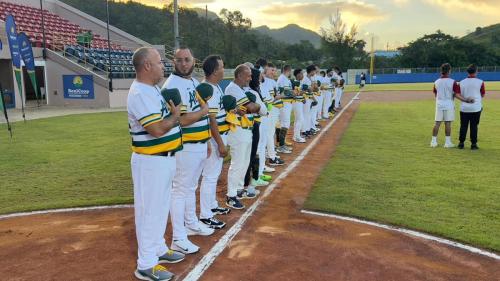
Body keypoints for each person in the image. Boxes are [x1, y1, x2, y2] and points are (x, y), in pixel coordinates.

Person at [128, 47, 185, 281]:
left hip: (164, 160)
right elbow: (157, 129)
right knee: (149, 211)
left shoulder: (152, 90)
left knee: (160, 208)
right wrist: (176, 116)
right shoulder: (139, 93)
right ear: (147, 66)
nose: (164, 66)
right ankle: (146, 264)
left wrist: (173, 117)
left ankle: (159, 248)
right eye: (160, 62)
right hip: (150, 161)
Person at [162, 47, 216, 255]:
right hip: (185, 147)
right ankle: (178, 237)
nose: (184, 64)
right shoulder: (172, 85)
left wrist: (207, 140)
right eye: (179, 60)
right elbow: (181, 120)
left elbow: (200, 119)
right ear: (173, 62)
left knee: (190, 187)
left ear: (194, 61)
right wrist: (203, 111)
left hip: (200, 144)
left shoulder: (194, 82)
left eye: (187, 59)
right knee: (180, 190)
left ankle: (191, 223)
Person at [199, 55, 232, 230]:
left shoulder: (215, 87)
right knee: (210, 176)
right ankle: (206, 215)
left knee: (213, 174)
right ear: (213, 71)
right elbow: (211, 119)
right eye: (221, 67)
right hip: (214, 137)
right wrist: (219, 143)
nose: (223, 69)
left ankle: (211, 204)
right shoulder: (206, 89)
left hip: (221, 133)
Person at [225, 64, 261, 209]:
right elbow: (252, 107)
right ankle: (231, 195)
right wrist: (258, 106)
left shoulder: (240, 89)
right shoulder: (232, 88)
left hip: (246, 129)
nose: (250, 78)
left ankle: (238, 189)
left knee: (244, 162)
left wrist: (254, 106)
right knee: (237, 163)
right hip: (237, 130)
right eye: (248, 75)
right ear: (239, 75)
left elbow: (250, 108)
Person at [430, 63, 471, 148]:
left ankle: (433, 142)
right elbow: (456, 94)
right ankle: (447, 143)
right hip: (448, 104)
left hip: (439, 104)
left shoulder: (436, 82)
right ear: (449, 71)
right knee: (448, 123)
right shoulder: (453, 82)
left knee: (437, 123)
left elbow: (435, 94)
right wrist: (466, 100)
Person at [261, 63, 286, 165]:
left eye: (275, 70)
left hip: (273, 109)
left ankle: (269, 153)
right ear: (265, 71)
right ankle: (272, 157)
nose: (273, 72)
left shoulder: (271, 81)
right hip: (271, 110)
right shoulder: (266, 82)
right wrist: (281, 96)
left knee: (269, 133)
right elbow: (272, 99)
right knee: (269, 133)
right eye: (271, 70)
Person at [458, 64, 485, 150]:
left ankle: (461, 143)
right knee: (474, 126)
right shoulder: (480, 82)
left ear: (467, 72)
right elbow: (482, 94)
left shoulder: (461, 82)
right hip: (476, 108)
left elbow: (459, 95)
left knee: (463, 126)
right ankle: (473, 144)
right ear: (476, 71)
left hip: (464, 108)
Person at [277, 65, 295, 150]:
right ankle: (281, 145)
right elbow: (286, 92)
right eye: (290, 70)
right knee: (285, 123)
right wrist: (294, 93)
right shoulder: (283, 78)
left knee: (282, 123)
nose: (291, 72)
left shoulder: (283, 78)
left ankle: (281, 142)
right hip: (285, 103)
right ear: (288, 70)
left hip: (285, 103)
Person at [291, 68, 306, 143]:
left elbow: (298, 92)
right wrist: (302, 92)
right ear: (297, 74)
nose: (302, 75)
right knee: (300, 119)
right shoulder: (295, 82)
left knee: (298, 119)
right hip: (296, 102)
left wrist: (302, 97)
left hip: (299, 102)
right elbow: (295, 93)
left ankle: (296, 136)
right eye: (301, 73)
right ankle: (297, 136)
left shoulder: (298, 82)